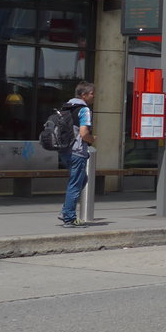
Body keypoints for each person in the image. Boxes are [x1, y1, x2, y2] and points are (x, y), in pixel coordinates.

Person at [59, 81, 96, 227]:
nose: (94, 97)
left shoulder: (66, 106)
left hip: (64, 150)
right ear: (84, 95)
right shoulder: (84, 110)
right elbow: (84, 133)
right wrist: (92, 139)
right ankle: (69, 217)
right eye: (92, 93)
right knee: (75, 183)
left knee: (82, 179)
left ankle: (66, 210)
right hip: (77, 151)